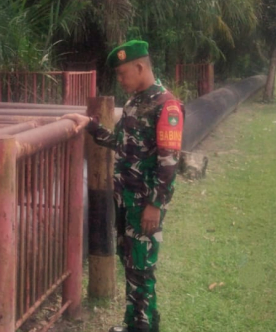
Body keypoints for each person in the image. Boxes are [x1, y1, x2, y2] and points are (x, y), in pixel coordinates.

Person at [64, 40, 183, 332]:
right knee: (130, 265)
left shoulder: (166, 105)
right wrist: (90, 123)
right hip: (126, 201)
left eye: (122, 73)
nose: (120, 79)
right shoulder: (134, 103)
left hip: (145, 205)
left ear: (140, 67)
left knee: (142, 269)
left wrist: (155, 205)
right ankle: (134, 324)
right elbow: (118, 141)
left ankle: (144, 326)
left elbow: (169, 163)